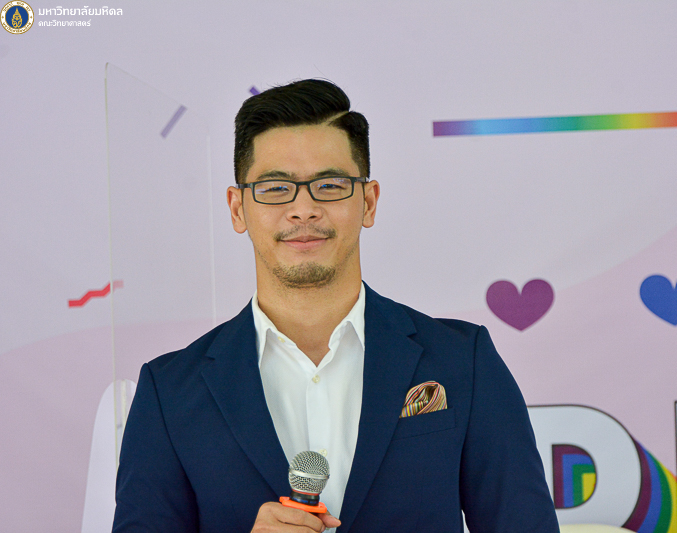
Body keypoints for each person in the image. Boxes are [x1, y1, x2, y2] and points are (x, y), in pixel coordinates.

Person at [112, 79, 559, 533]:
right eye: (275, 188)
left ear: (368, 201)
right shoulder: (169, 393)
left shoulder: (464, 361)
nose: (303, 209)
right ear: (237, 208)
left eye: (329, 185)